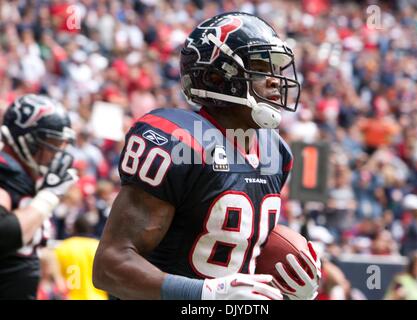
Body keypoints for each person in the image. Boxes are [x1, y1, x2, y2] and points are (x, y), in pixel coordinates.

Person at [93, 12, 321, 300]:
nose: (276, 81)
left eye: (276, 69)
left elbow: (232, 251)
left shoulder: (276, 153)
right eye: (262, 68)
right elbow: (109, 267)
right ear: (217, 77)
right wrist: (204, 294)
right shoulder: (178, 142)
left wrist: (285, 280)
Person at [0, 94, 78, 299]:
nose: (56, 153)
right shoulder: (5, 170)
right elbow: (4, 233)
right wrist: (48, 196)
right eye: (51, 143)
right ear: (27, 138)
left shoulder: (25, 179)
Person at [54, 215, 108, 300]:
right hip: (98, 297)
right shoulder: (99, 247)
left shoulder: (64, 247)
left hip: (71, 297)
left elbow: (57, 278)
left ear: (74, 228)